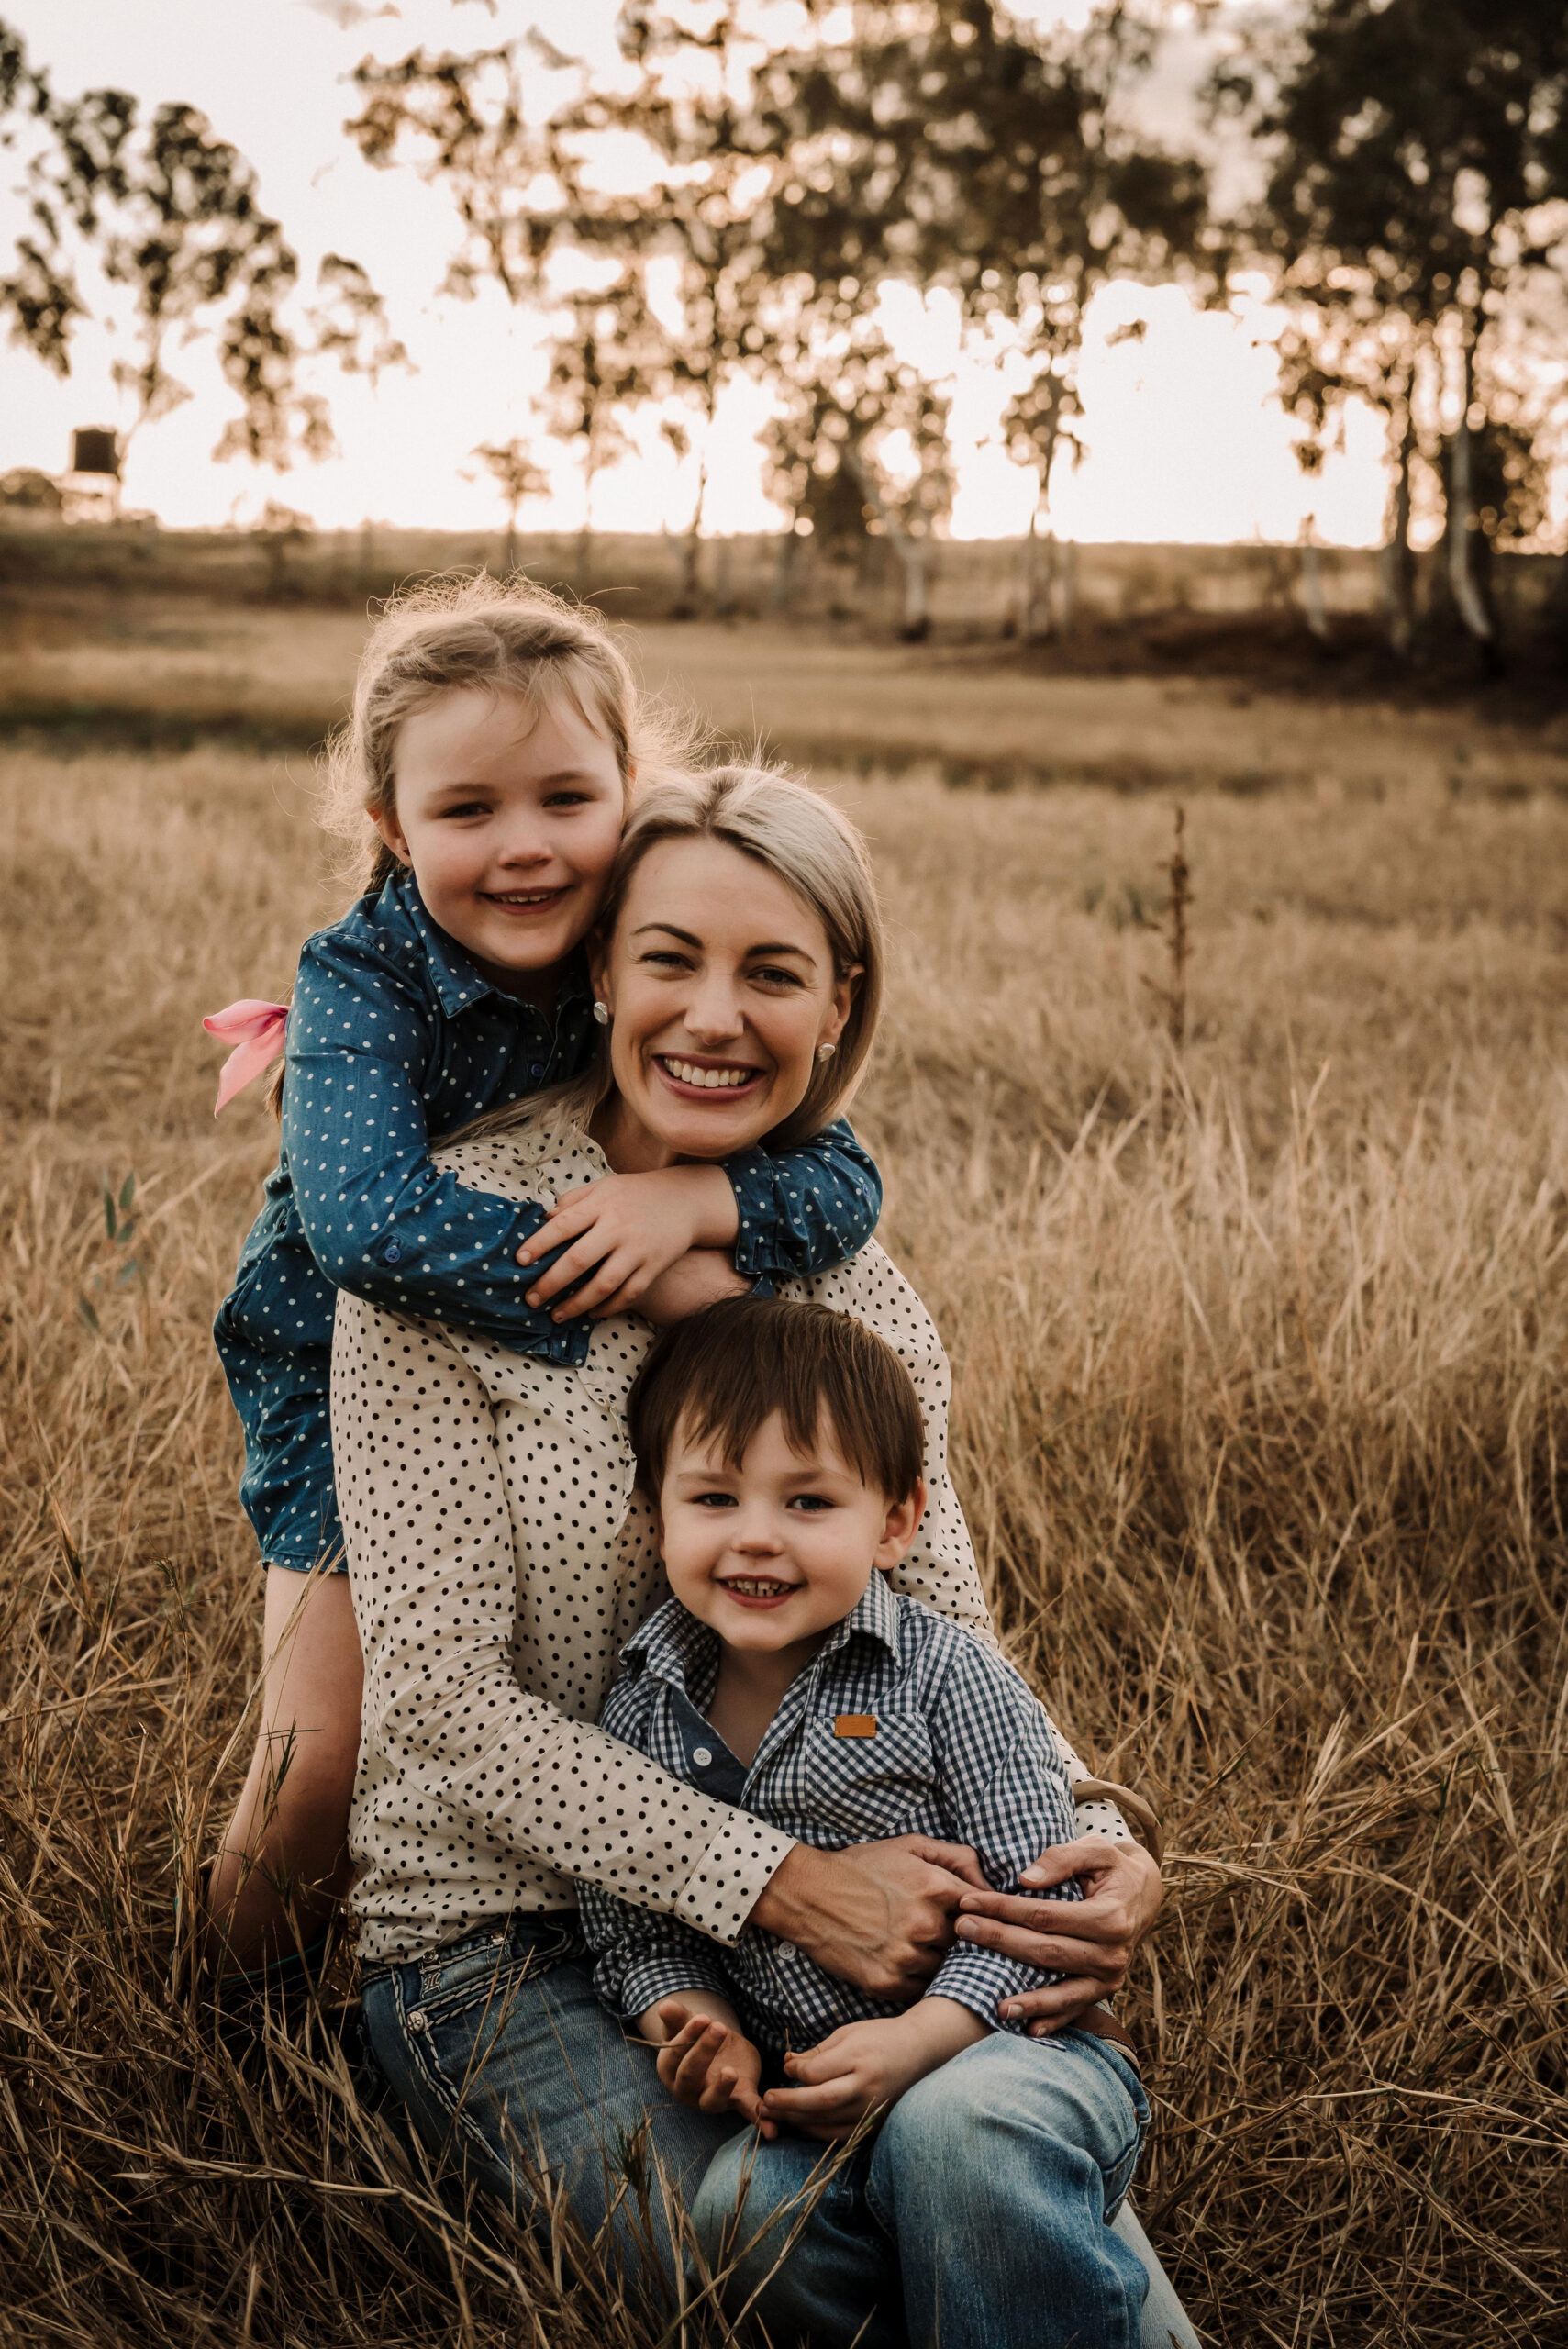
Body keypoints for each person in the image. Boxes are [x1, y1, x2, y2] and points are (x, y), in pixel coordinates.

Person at [334, 765, 1181, 2335]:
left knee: (965, 2145)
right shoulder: (441, 1246)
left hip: (866, 1900)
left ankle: (999, 2184)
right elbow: (445, 1714)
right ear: (600, 969)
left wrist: (1091, 1840)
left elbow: (938, 1622)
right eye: (669, 958)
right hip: (502, 1930)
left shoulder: (854, 1291)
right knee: (767, 2239)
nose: (713, 1016)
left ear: (834, 1000)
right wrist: (777, 1885)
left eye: (770, 972)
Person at [202, 579, 884, 1973]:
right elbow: (367, 1230)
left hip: (551, 1375)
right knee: (319, 1760)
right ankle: (230, 2032)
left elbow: (846, 1180)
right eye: (467, 813)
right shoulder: (361, 981)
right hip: (345, 1364)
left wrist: (696, 1192)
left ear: (630, 793)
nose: (525, 850)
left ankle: (596, 1930)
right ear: (391, 825)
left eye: (566, 800)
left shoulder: (643, 919)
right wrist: (641, 1275)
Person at [580, 1292, 1151, 2349]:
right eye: (711, 1496)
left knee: (958, 2129)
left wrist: (917, 2043)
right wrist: (695, 2023)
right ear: (652, 1515)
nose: (755, 1535)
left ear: (893, 1524)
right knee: (741, 2218)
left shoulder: (942, 1677)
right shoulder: (640, 1704)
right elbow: (635, 1924)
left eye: (807, 1503)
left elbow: (1042, 1894)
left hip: (1011, 2056)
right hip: (814, 2093)